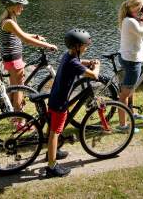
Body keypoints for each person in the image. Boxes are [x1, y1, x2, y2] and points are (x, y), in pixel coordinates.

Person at [46, 28, 100, 178]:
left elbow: (77, 62)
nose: (86, 47)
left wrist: (88, 62)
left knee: (52, 128)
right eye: (84, 45)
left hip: (54, 98)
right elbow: (94, 75)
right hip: (60, 103)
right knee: (55, 132)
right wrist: (97, 65)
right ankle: (52, 166)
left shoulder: (68, 56)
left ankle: (53, 152)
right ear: (76, 46)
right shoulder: (73, 63)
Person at [0, 0, 58, 113]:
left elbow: (21, 34)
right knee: (19, 89)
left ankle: (11, 113)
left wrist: (35, 36)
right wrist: (48, 45)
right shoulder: (9, 22)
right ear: (12, 5)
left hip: (11, 58)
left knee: (15, 87)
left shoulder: (8, 20)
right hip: (14, 59)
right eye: (20, 5)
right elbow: (24, 39)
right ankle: (19, 118)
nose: (22, 7)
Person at [117, 0, 143, 130]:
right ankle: (123, 125)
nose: (141, 10)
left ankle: (131, 112)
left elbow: (141, 30)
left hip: (128, 57)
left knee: (131, 88)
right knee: (125, 94)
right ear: (133, 7)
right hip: (131, 61)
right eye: (139, 7)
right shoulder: (130, 22)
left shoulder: (130, 19)